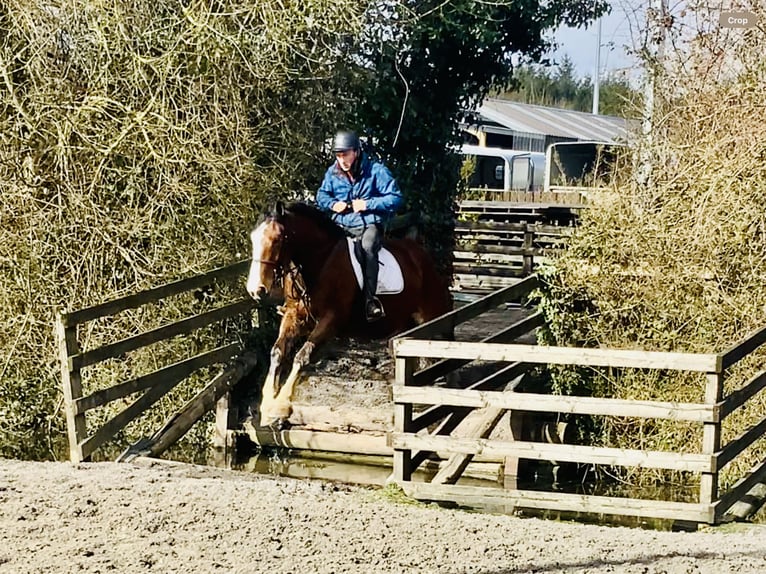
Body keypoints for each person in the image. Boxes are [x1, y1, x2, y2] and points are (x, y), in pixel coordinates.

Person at [316, 130, 404, 322]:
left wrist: (367, 204)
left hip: (369, 225)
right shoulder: (332, 173)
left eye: (345, 154)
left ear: (356, 152)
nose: (342, 160)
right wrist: (332, 204)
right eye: (338, 156)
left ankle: (370, 301)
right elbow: (321, 196)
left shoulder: (377, 171)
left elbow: (396, 198)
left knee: (367, 247)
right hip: (341, 224)